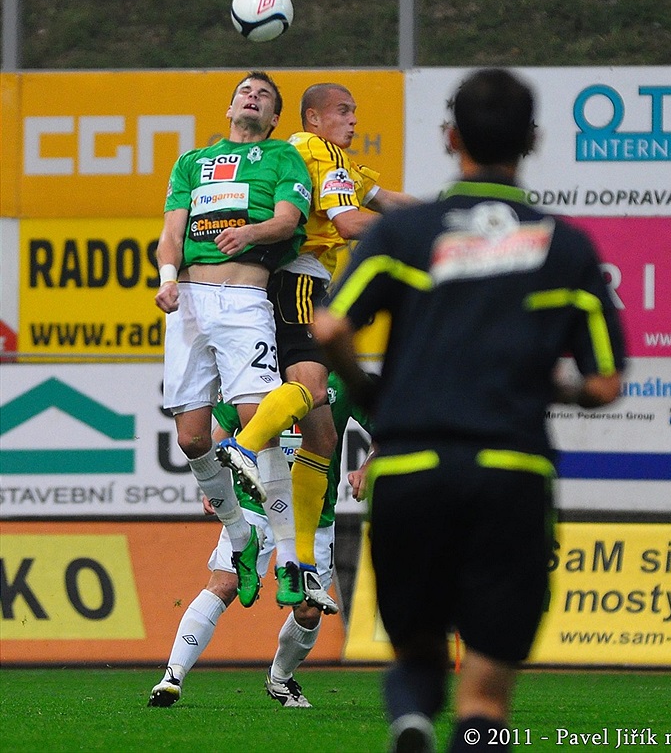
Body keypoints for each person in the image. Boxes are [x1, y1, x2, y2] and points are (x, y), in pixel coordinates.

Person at [312, 68, 627, 752]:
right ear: (534, 140)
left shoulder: (405, 232)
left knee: (417, 656)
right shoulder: (566, 246)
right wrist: (558, 388)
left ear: (450, 136)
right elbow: (605, 385)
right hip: (509, 469)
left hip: (412, 464)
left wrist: (369, 393)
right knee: (485, 697)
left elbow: (331, 327)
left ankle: (412, 721)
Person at [217, 83, 416, 613]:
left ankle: (300, 561)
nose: (353, 121)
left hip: (280, 285)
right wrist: (426, 237)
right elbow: (351, 222)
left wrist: (452, 211)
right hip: (298, 281)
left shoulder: (336, 161)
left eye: (355, 111)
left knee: (323, 435)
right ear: (313, 117)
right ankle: (244, 446)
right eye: (343, 112)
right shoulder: (317, 151)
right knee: (312, 390)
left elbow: (386, 200)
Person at [155, 71, 312, 611]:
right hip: (191, 304)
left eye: (264, 95)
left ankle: (292, 561)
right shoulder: (192, 162)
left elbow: (289, 219)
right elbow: (172, 233)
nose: (253, 97)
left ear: (274, 118)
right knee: (192, 441)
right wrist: (168, 277)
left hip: (246, 302)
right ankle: (241, 541)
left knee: (259, 425)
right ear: (229, 107)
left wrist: (252, 232)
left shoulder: (282, 158)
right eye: (246, 91)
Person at [148, 371, 373, 709]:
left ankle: (280, 679)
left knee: (309, 611)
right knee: (225, 584)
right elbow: (221, 431)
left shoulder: (339, 379)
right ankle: (172, 677)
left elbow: (391, 430)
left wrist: (369, 466)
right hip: (254, 503)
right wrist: (217, 485)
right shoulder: (256, 374)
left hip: (313, 512)